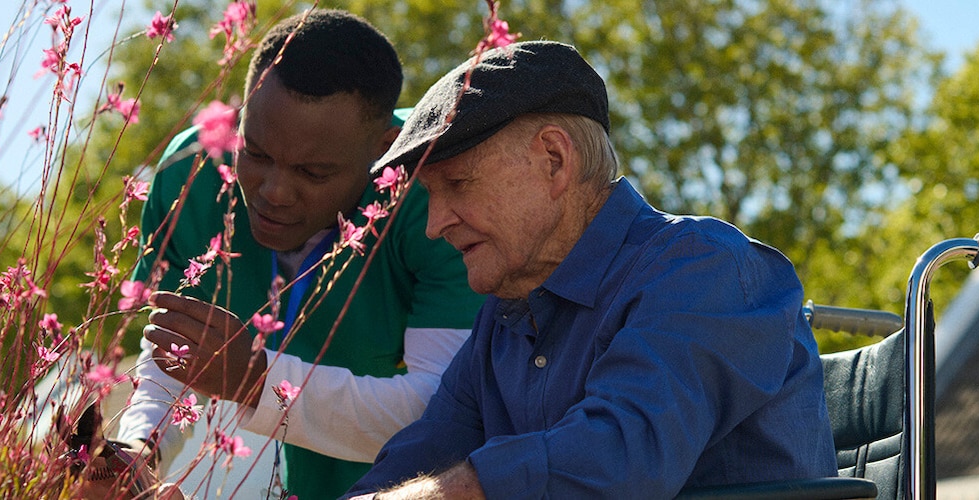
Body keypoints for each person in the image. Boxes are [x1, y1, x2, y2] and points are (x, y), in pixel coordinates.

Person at [342, 41, 837, 499]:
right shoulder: (503, 319)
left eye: (457, 183)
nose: (433, 225)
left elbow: (620, 459)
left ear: (555, 160)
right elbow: (415, 458)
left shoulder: (704, 269)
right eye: (430, 194)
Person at [112, 11, 485, 500]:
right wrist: (140, 451)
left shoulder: (439, 198)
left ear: (385, 149)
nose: (274, 192)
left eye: (313, 172)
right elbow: (178, 352)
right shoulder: (191, 176)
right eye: (257, 153)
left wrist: (254, 381)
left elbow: (443, 410)